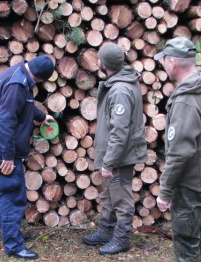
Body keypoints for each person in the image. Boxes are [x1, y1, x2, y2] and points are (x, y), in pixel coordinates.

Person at [0, 55, 55, 260]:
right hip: (4, 147)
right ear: (40, 78)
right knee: (11, 194)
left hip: (4, 145)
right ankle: (13, 245)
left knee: (13, 192)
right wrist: (8, 157)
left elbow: (24, 105)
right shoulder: (17, 85)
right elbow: (4, 121)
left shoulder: (18, 73)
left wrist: (41, 116)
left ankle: (13, 234)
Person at [154, 37, 201, 262]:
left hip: (191, 184)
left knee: (186, 243)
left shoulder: (186, 99)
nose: (163, 65)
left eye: (164, 60)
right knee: (200, 237)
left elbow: (180, 151)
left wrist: (165, 191)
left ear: (173, 62)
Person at [81, 43, 147, 255]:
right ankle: (105, 232)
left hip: (119, 157)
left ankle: (121, 239)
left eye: (99, 58)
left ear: (105, 63)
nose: (97, 62)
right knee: (109, 196)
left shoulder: (120, 90)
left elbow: (120, 131)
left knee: (121, 198)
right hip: (115, 154)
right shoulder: (118, 83)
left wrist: (109, 161)